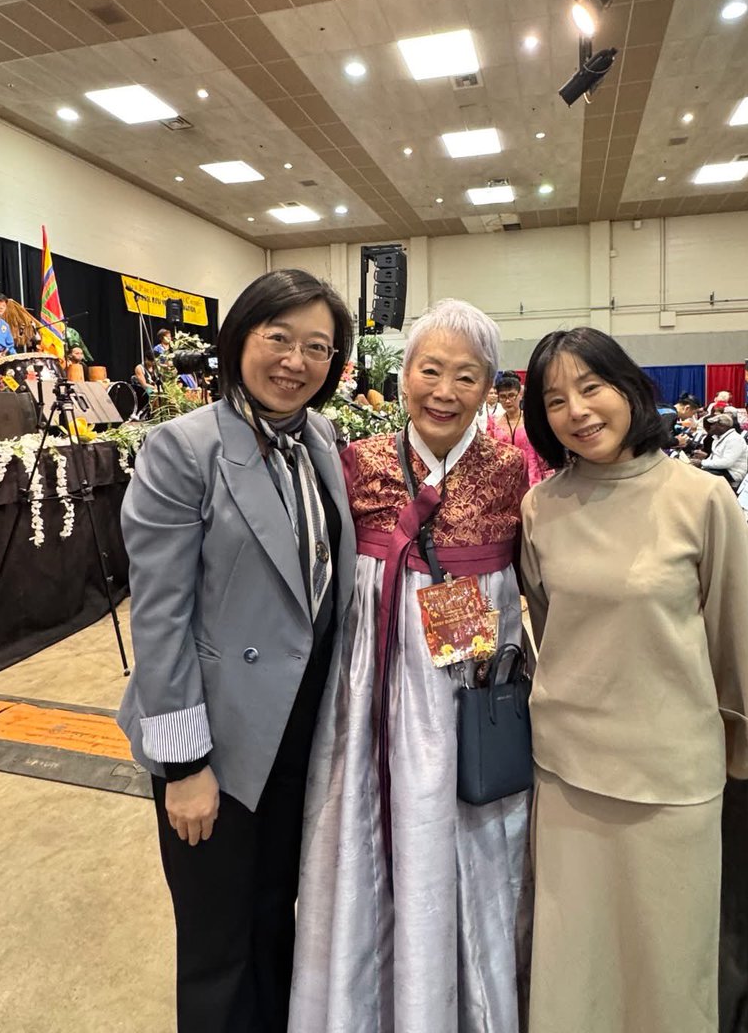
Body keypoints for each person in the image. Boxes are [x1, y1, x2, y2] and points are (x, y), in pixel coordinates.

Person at [116, 269, 356, 1033]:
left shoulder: (319, 437)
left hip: (300, 729)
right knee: (219, 945)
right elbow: (159, 619)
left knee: (279, 921)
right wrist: (184, 767)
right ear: (239, 339)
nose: (295, 361)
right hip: (218, 740)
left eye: (317, 347)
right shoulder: (181, 450)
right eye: (277, 338)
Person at [290, 299, 533, 1033]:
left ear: (489, 386)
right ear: (403, 376)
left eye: (467, 375)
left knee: (468, 834)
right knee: (359, 824)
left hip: (467, 687)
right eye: (430, 369)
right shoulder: (354, 463)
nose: (445, 390)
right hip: (370, 685)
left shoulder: (510, 473)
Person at [519, 326, 748, 1033]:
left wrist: (741, 746)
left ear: (628, 387)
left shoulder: (702, 498)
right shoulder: (542, 508)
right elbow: (548, 621)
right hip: (568, 771)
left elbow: (734, 635)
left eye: (591, 387)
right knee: (576, 967)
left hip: (672, 775)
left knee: (668, 967)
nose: (578, 410)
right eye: (556, 398)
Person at [489, 370, 551, 486]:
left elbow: (543, 455)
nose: (507, 401)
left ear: (520, 395)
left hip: (532, 479)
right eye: (503, 397)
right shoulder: (494, 423)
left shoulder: (531, 420)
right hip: (504, 482)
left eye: (512, 395)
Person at [692, 412, 748, 486]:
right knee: (693, 472)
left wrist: (702, 463)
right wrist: (699, 463)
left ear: (722, 426)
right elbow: (714, 458)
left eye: (713, 424)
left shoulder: (735, 439)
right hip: (720, 469)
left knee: (699, 477)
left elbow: (726, 463)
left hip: (732, 473)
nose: (710, 427)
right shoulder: (717, 438)